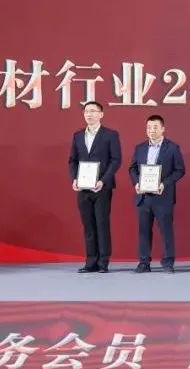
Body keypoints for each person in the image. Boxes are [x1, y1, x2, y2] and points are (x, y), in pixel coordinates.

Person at [68, 101, 121, 273]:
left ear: (101, 114)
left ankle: (103, 261)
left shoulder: (110, 135)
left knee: (101, 223)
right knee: (88, 225)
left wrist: (103, 181)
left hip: (101, 187)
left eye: (93, 111)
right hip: (83, 188)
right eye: (86, 111)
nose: (89, 114)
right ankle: (90, 261)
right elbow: (73, 161)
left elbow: (116, 160)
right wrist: (74, 179)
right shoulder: (77, 135)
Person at [128, 114, 185, 273]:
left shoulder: (172, 148)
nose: (151, 130)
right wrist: (137, 183)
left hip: (163, 196)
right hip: (143, 197)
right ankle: (144, 262)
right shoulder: (139, 148)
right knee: (143, 231)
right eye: (149, 127)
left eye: (155, 127)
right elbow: (132, 168)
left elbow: (180, 170)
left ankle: (168, 262)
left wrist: (164, 184)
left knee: (166, 231)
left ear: (163, 129)